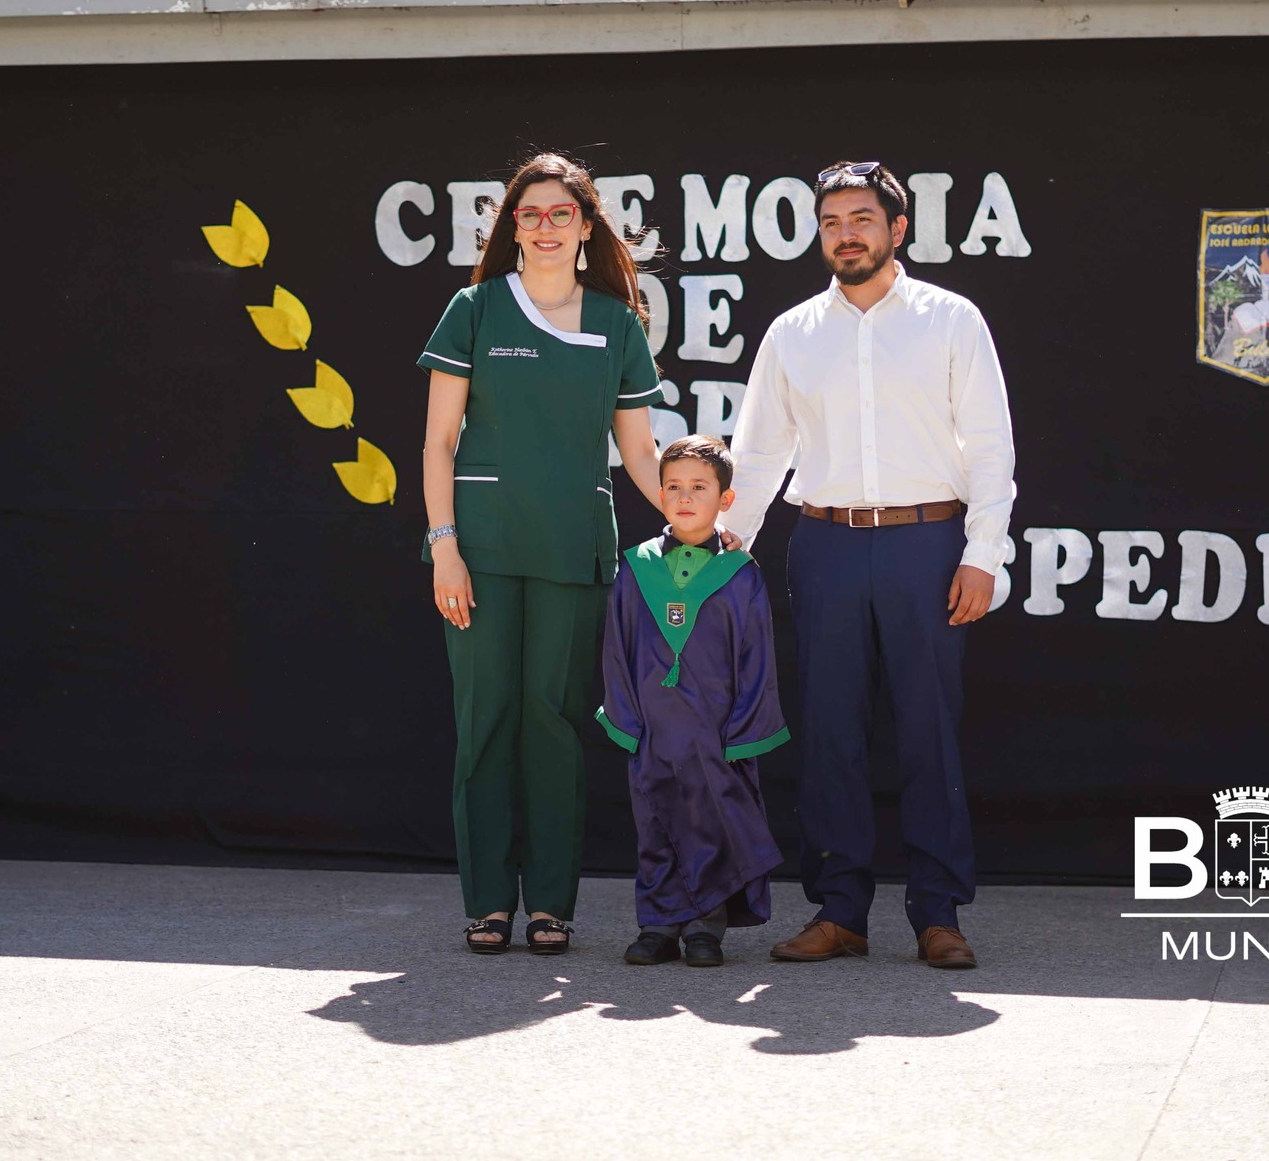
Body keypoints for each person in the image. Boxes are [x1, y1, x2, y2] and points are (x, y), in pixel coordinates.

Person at [721, 159, 1016, 971]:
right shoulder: (792, 332)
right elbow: (759, 454)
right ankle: (839, 910)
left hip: (929, 542)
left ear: (898, 228)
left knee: (928, 730)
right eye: (832, 223)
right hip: (827, 546)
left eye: (861, 219)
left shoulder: (951, 319)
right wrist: (719, 556)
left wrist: (983, 554)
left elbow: (990, 445)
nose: (845, 235)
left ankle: (938, 913)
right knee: (830, 732)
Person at [418, 152, 667, 956]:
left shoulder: (617, 324)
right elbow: (438, 442)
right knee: (486, 719)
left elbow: (639, 452)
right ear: (513, 228)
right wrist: (444, 548)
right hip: (480, 550)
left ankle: (551, 904)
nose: (547, 226)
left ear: (587, 226)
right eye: (531, 214)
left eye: (563, 213)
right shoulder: (475, 309)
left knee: (553, 722)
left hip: (572, 549)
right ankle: (489, 902)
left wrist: (693, 513)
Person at [596, 435, 789, 969]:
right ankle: (658, 925)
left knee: (711, 824)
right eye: (674, 486)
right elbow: (616, 648)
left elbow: (757, 656)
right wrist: (626, 719)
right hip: (655, 727)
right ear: (659, 494)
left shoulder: (741, 575)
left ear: (725, 499)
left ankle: (706, 925)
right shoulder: (636, 568)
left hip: (716, 728)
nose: (685, 497)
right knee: (656, 823)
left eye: (699, 487)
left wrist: (745, 731)